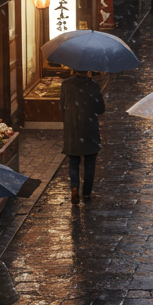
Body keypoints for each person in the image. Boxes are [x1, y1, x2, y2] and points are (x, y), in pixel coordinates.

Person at [60, 69, 105, 204]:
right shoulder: (93, 85)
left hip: (72, 128)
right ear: (87, 71)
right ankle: (86, 193)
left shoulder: (66, 84)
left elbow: (62, 106)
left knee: (73, 163)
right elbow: (100, 109)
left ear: (74, 70)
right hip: (89, 128)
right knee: (90, 164)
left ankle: (74, 187)